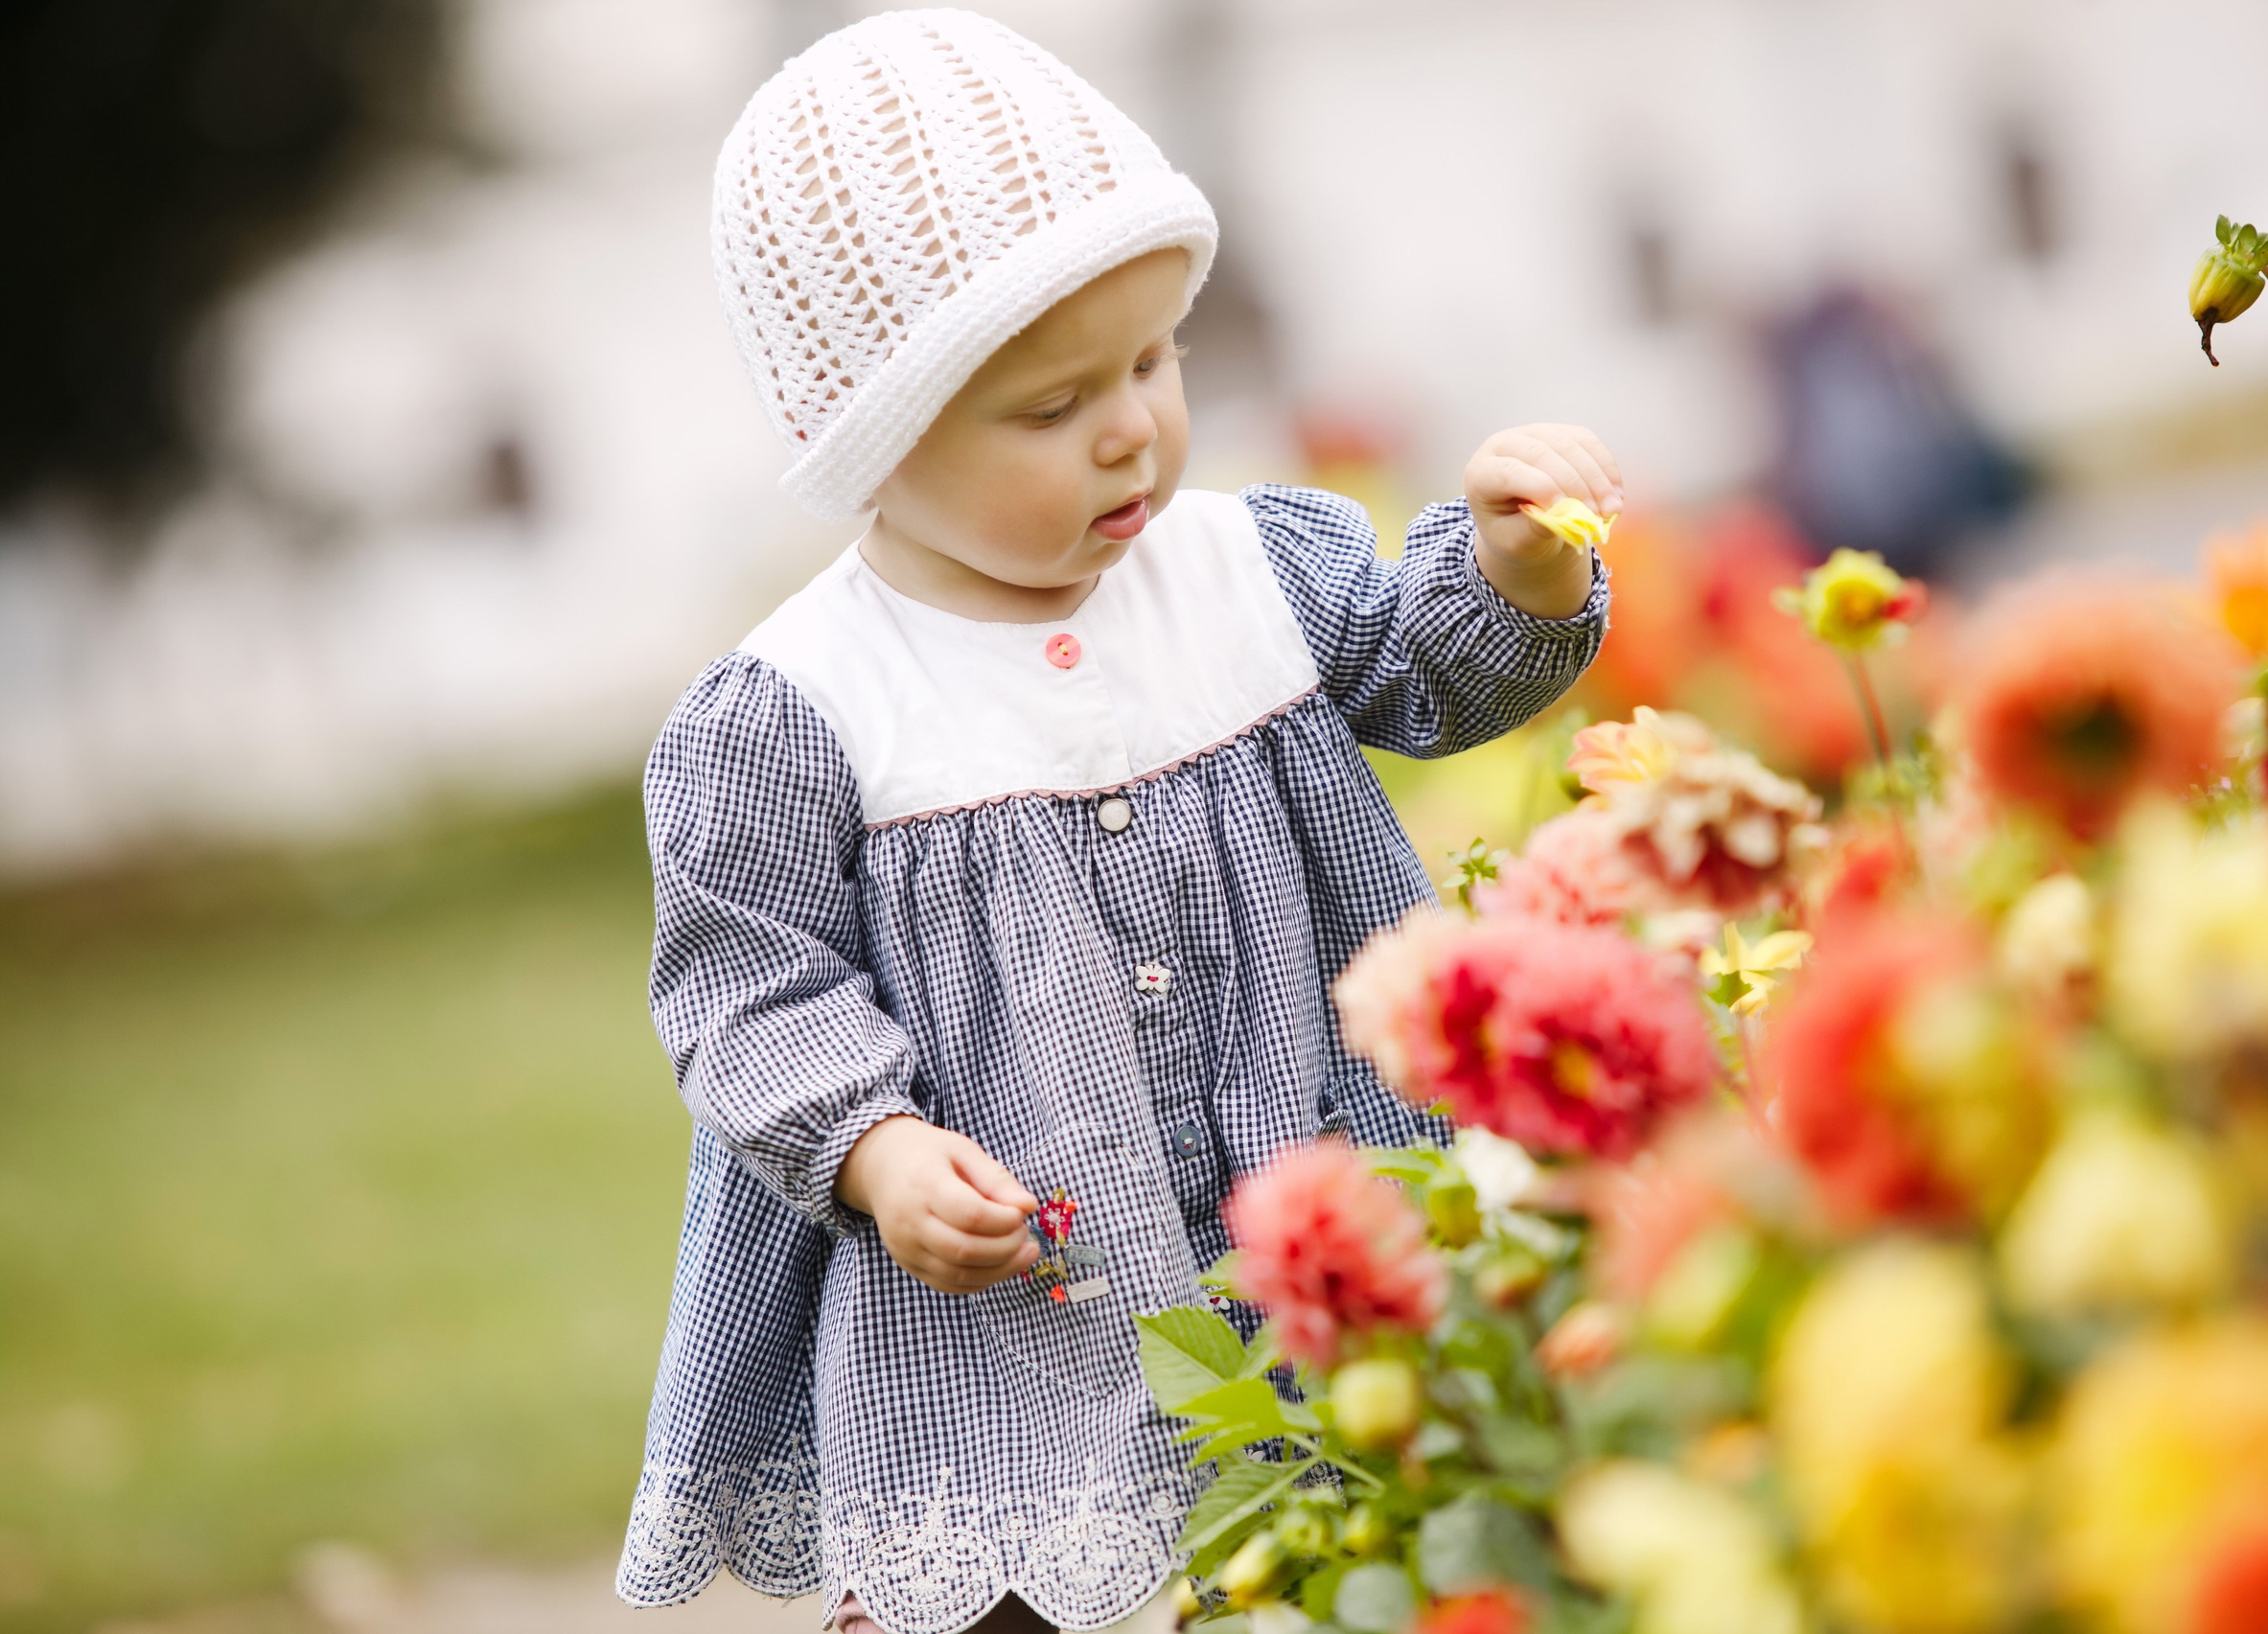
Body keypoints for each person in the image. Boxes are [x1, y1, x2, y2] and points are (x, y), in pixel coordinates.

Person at [618, 12, 1616, 1633]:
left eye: (1155, 359)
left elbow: (1417, 671)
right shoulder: (809, 704)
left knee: (1390, 1533)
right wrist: (871, 1148)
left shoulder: (1247, 574)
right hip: (1018, 1321)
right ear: (874, 439)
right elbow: (747, 983)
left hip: (1327, 1218)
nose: (1131, 427)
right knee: (1022, 1587)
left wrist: (1514, 578)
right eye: (1051, 403)